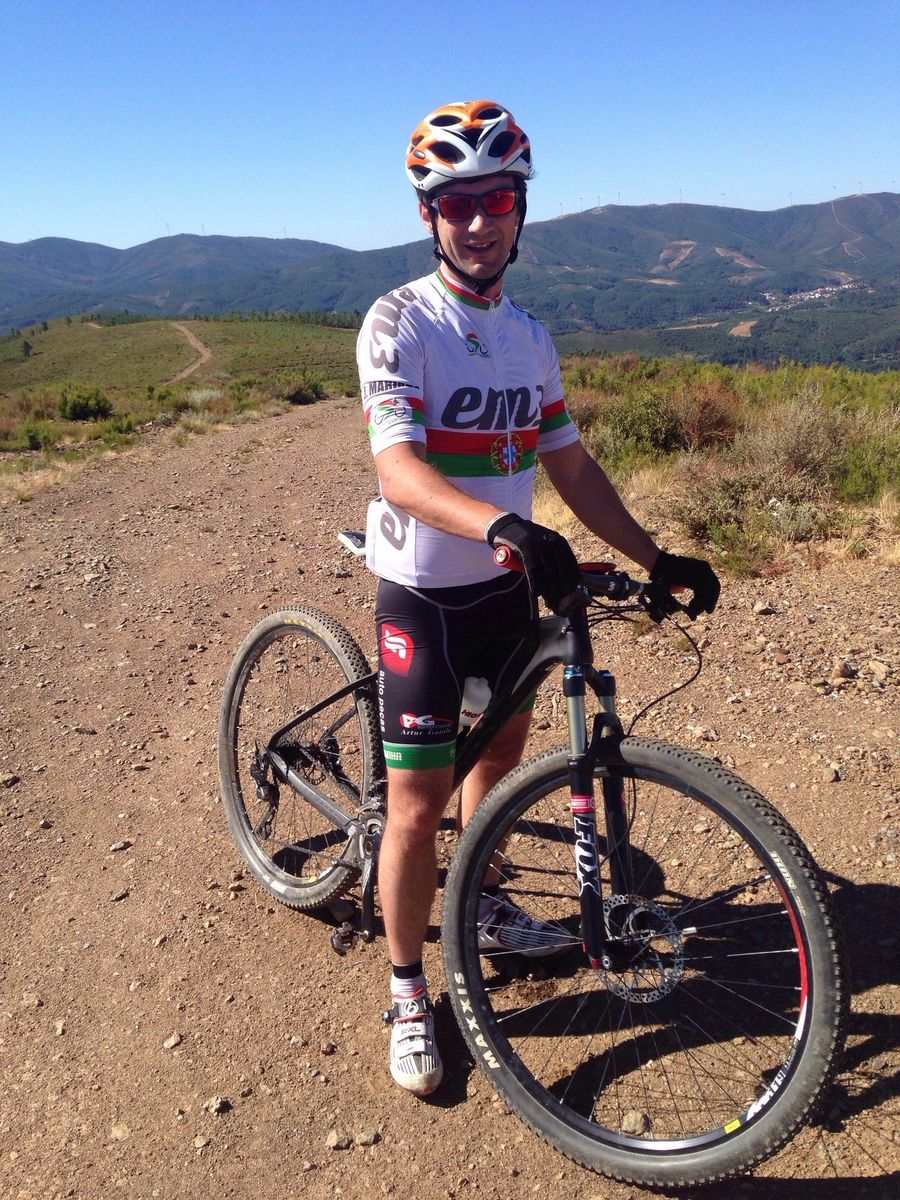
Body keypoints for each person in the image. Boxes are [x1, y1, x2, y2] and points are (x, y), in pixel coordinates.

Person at [356, 100, 720, 1097]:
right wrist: (500, 526)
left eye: (496, 201)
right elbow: (397, 470)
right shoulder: (400, 321)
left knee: (499, 763)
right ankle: (407, 990)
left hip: (507, 599)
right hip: (425, 598)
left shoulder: (529, 336)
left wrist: (656, 556)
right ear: (429, 215)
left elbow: (571, 464)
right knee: (417, 808)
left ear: (520, 211)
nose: (478, 221)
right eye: (456, 203)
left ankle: (479, 903)